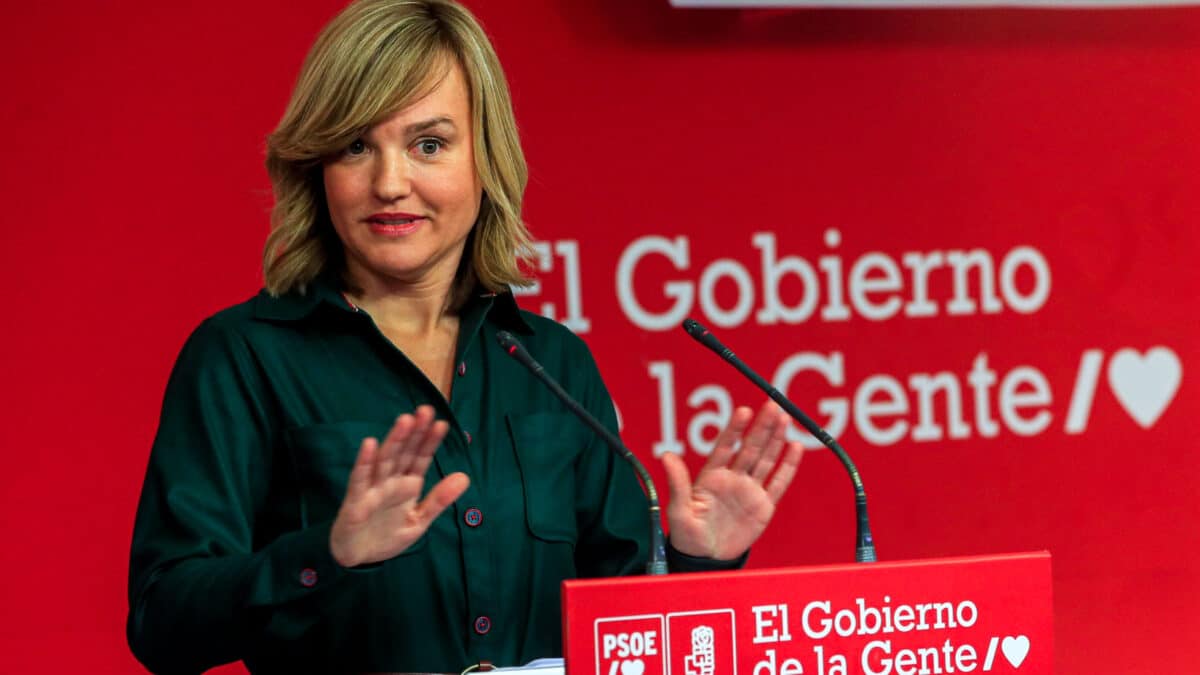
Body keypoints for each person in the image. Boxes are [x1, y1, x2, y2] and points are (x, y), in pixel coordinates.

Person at [126, 1, 804, 672]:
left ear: (485, 159)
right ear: (317, 165)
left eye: (429, 144)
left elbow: (625, 624)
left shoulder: (552, 360)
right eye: (357, 145)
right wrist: (325, 554)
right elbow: (162, 620)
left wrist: (694, 559)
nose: (390, 183)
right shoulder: (243, 356)